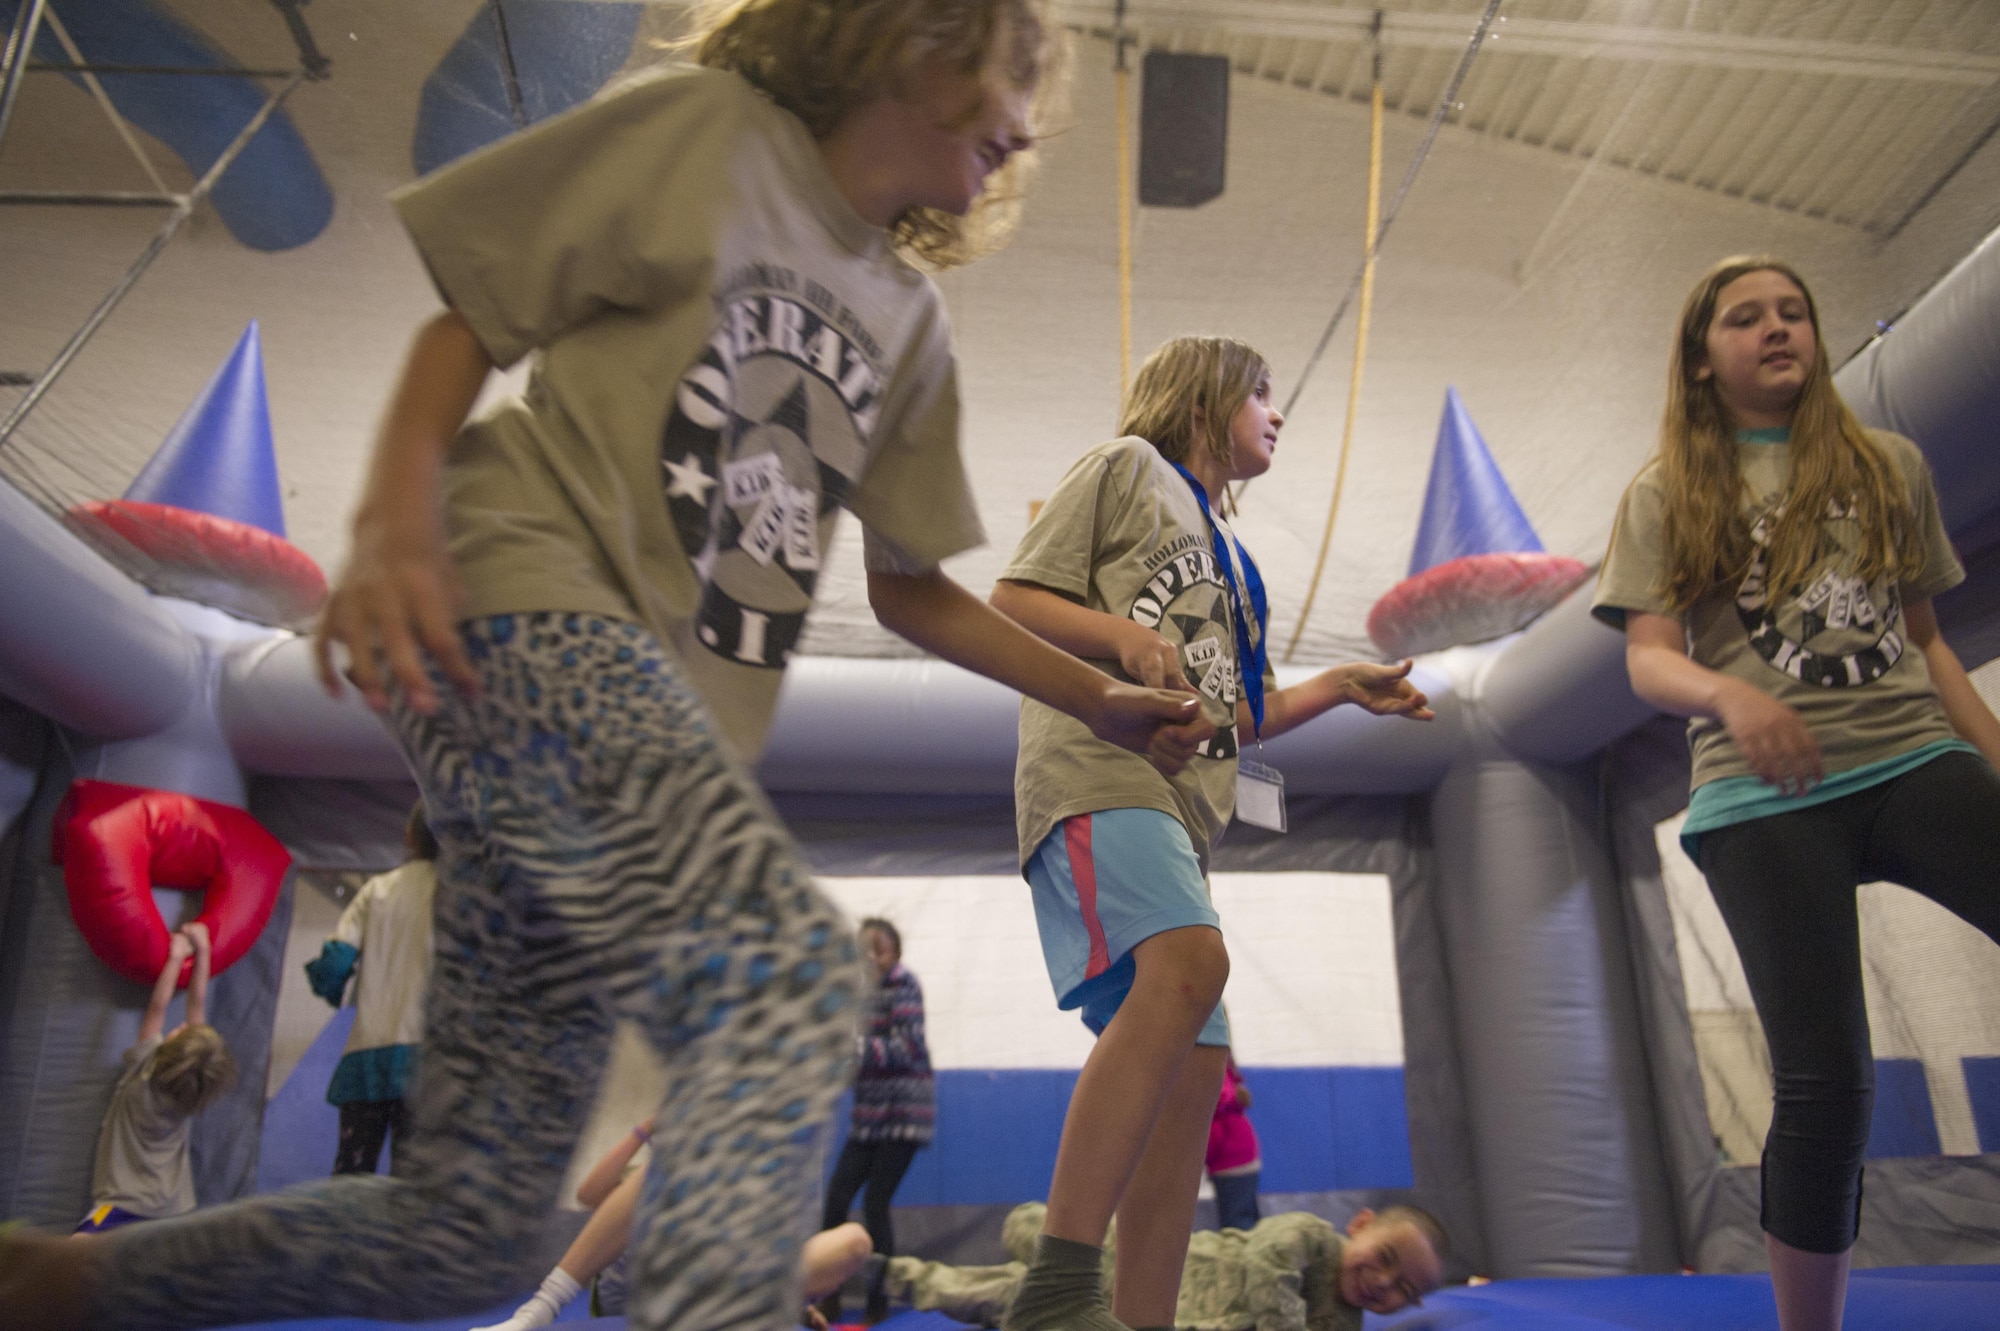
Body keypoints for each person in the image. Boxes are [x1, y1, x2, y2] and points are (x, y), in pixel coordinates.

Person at [0, 0, 1208, 1325]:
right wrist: (394, 521)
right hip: (524, 610)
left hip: (613, 744)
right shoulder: (707, 138)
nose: (1026, 123)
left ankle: (71, 1280)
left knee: (461, 1233)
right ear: (901, 42)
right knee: (790, 975)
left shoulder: (908, 324)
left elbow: (913, 588)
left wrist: (1099, 695)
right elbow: (474, 307)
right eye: (1009, 76)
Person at [990, 335, 1434, 1331]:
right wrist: (1120, 638)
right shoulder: (1123, 469)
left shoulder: (1236, 564)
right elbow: (1012, 599)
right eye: (1261, 394)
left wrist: (1339, 685)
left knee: (1192, 1078)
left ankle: (1141, 1315)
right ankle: (1057, 1283)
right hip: (1099, 774)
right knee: (1192, 964)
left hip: (1184, 822)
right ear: (1204, 398)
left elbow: (1243, 711)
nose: (1278, 412)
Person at [1593, 256, 2000, 1331]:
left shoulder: (1886, 465)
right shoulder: (1665, 490)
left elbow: (1924, 640)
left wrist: (1992, 758)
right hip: (1761, 797)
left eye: (1791, 312)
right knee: (1827, 1084)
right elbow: (1647, 659)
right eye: (1742, 317)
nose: (1774, 328)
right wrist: (1728, 692)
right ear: (1700, 355)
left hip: (1909, 754)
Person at [474, 1119, 874, 1330]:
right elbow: (589, 1194)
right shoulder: (656, 1173)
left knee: (854, 1240)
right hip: (643, 1296)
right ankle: (538, 1311)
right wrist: (643, 1131)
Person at [884, 1200, 1446, 1331]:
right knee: (1034, 1231)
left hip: (1130, 1315)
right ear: (1361, 1224)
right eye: (1386, 1259)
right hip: (1134, 1264)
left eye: (1404, 1291)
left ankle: (888, 1274)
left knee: (994, 1299)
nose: (1382, 1283)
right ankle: (1030, 1222)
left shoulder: (1342, 1326)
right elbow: (1265, 1262)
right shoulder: (1311, 1239)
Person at [74, 923, 237, 1235]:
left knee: (70, 1255)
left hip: (121, 1204)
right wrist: (203, 950)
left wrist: (176, 956)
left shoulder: (142, 1076)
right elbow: (197, 1008)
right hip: (170, 1210)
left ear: (167, 1050)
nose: (180, 1027)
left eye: (179, 1033)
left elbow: (158, 1008)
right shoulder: (191, 1094)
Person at [304, 803, 439, 1177]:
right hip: (431, 1067)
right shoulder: (463, 898)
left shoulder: (376, 890)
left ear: (409, 838)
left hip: (367, 1060)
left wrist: (333, 991)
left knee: (350, 1177)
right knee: (413, 1190)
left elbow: (332, 967)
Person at [819, 917, 936, 1324]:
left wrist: (854, 1050)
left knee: (874, 1203)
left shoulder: (904, 985)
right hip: (869, 1117)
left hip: (903, 1115)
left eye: (879, 950)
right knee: (835, 1199)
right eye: (864, 950)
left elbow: (906, 1046)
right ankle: (826, 1294)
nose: (870, 958)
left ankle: (878, 1302)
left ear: (895, 953)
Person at [1206, 1053, 1259, 1233]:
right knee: (1244, 1222)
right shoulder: (1225, 1073)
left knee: (1237, 1227)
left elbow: (1221, 1097)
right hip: (1238, 1159)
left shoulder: (1216, 1077)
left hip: (1232, 1162)